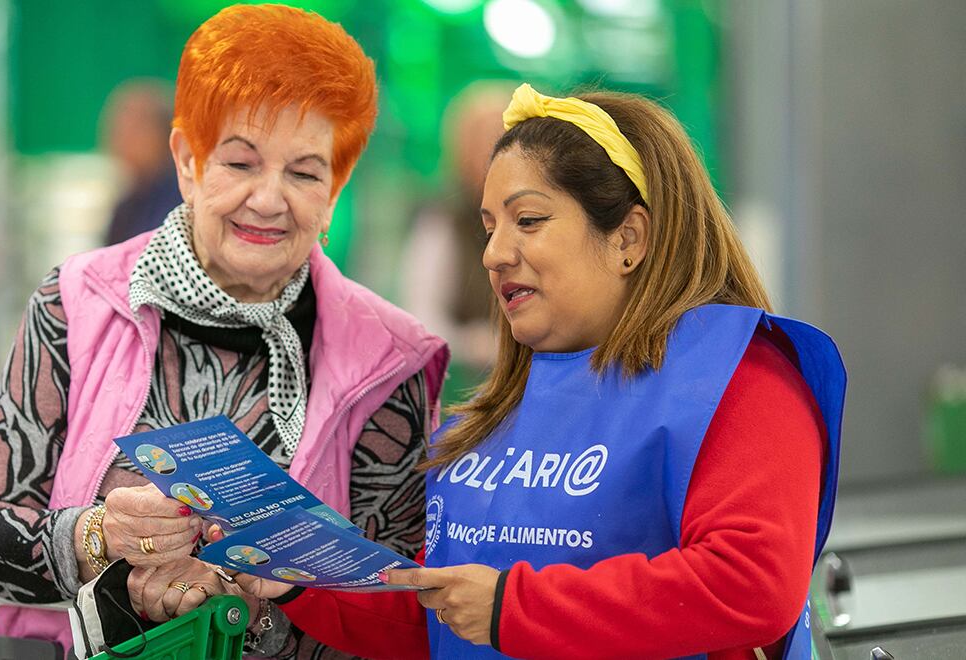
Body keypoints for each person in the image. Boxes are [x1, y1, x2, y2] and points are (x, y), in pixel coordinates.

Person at [219, 84, 847, 659]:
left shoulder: (739, 377)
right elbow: (441, 618)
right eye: (489, 227)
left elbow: (752, 581)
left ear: (629, 238)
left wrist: (512, 607)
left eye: (529, 220)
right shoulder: (497, 414)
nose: (493, 253)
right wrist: (300, 577)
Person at [0, 5, 450, 657]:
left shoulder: (392, 360)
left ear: (335, 190)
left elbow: (395, 617)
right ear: (188, 161)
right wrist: (98, 536)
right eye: (241, 163)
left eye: (304, 172)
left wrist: (247, 610)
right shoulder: (76, 302)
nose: (269, 199)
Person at [399, 82, 515, 390]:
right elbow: (421, 318)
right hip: (468, 385)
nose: (494, 150)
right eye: (483, 137)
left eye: (504, 135)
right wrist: (477, 344)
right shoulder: (443, 219)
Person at [101, 79, 183, 245]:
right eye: (118, 128)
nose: (123, 139)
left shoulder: (180, 200)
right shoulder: (128, 202)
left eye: (135, 129)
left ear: (164, 135)